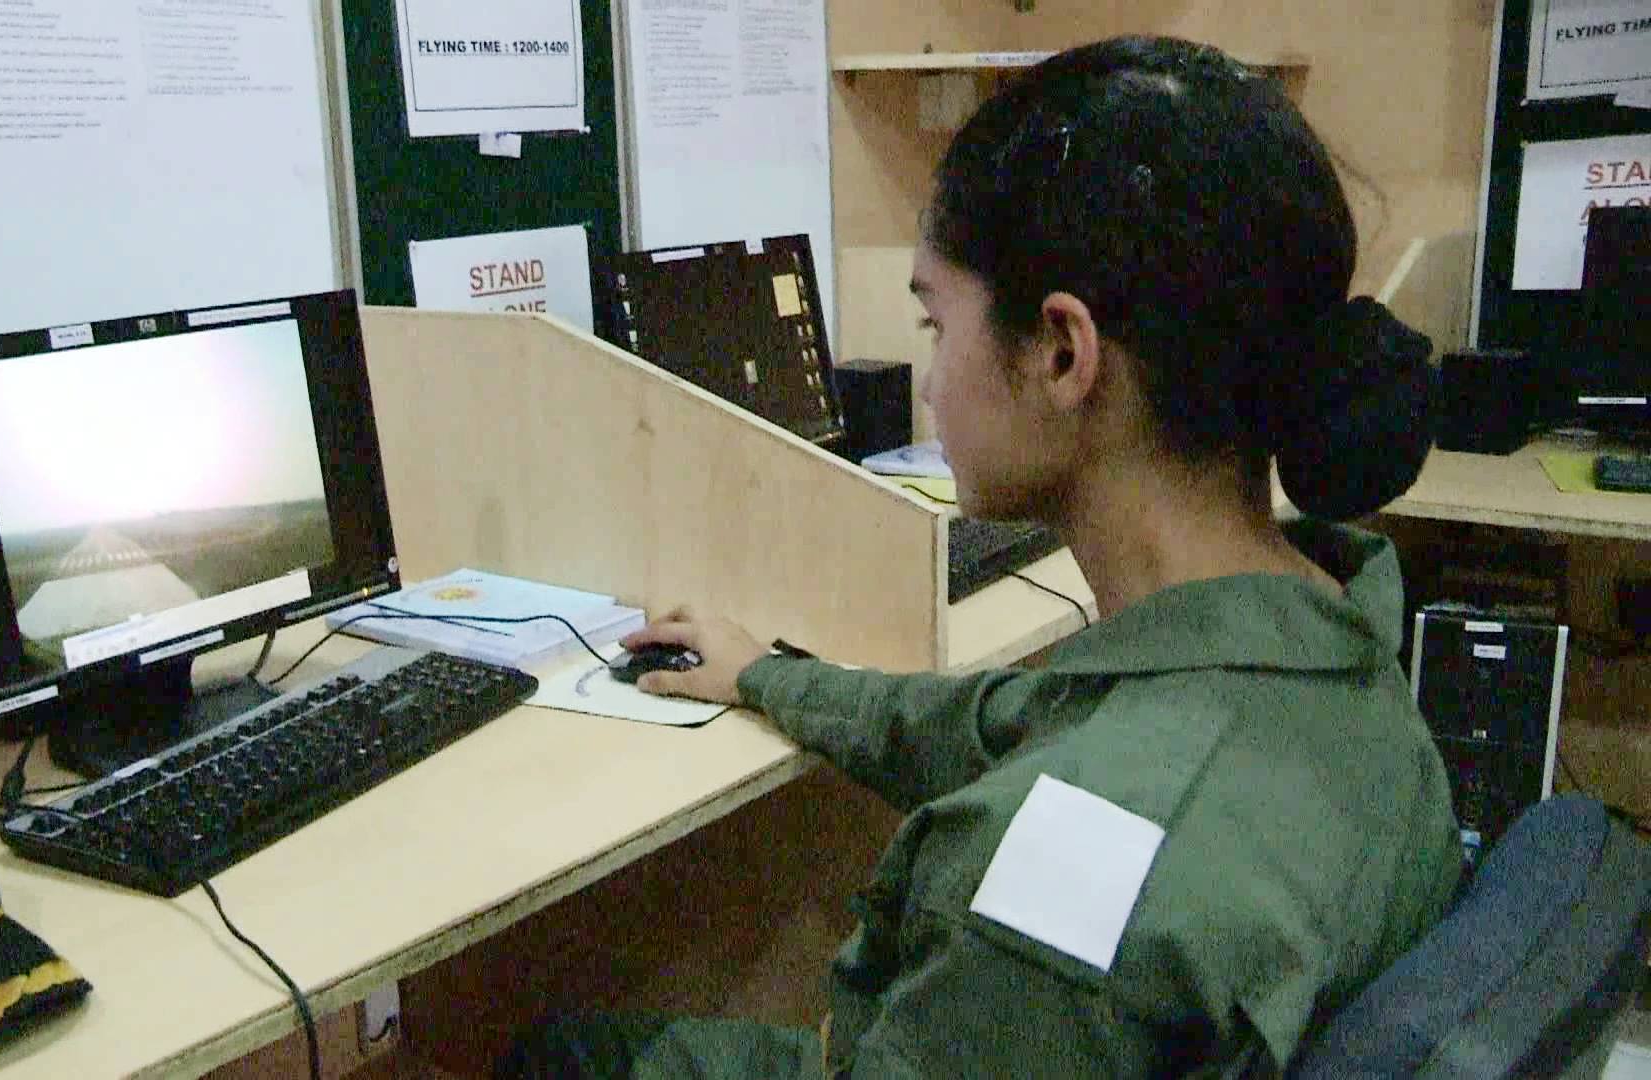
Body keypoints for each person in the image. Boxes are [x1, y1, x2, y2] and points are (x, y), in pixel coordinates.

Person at [498, 34, 1462, 1079]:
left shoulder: (1052, 900)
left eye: (934, 322)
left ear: (1061, 352)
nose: (927, 386)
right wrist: (769, 677)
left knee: (567, 1053)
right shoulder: (1336, 643)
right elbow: (995, 723)